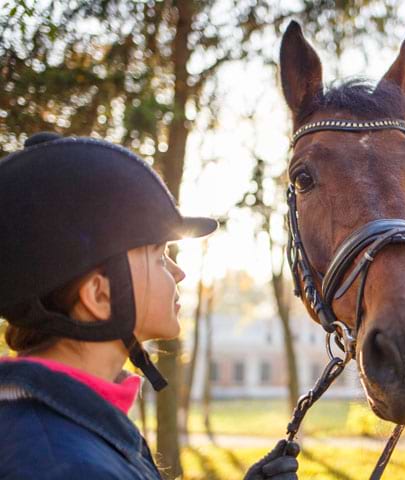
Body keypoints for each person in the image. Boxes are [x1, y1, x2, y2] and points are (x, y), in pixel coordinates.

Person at [0, 132, 300, 480]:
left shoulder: (72, 425)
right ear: (100, 295)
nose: (180, 272)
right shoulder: (65, 465)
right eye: (160, 256)